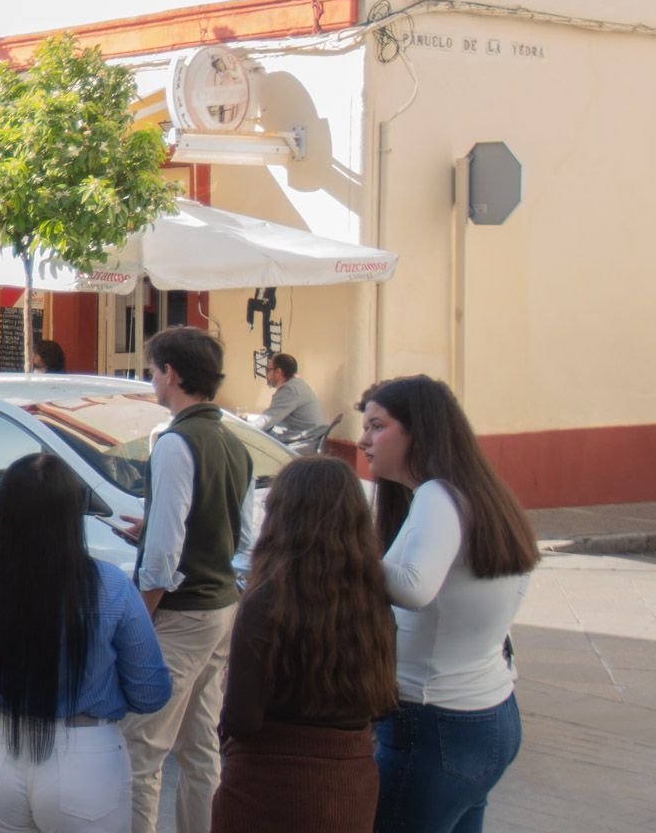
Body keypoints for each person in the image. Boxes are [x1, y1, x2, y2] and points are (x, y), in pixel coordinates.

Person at [0, 454, 172, 832]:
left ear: (3, 510)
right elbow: (151, 691)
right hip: (87, 757)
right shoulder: (112, 586)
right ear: (72, 513)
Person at [361, 375, 537, 833]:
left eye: (377, 426)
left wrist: (343, 551)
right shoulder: (478, 493)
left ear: (418, 431)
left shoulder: (438, 495)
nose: (364, 440)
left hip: (435, 725)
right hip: (489, 714)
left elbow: (415, 588)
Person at [119, 327, 256, 833]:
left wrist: (138, 618)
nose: (150, 378)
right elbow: (240, 538)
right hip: (220, 607)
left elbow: (163, 556)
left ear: (171, 374)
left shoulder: (177, 442)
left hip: (181, 613)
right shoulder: (232, 442)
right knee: (200, 749)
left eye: (153, 370)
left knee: (141, 750)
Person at [212, 455, 396, 831]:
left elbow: (242, 720)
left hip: (265, 790)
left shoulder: (265, 602)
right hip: (350, 787)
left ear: (282, 518)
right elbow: (381, 703)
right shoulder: (375, 600)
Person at [255, 353, 326, 446]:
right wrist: (248, 418)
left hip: (303, 443)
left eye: (267, 370)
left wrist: (240, 429)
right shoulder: (297, 385)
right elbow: (272, 415)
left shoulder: (290, 390)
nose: (266, 375)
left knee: (257, 441)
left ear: (278, 372)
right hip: (310, 438)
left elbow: (266, 421)